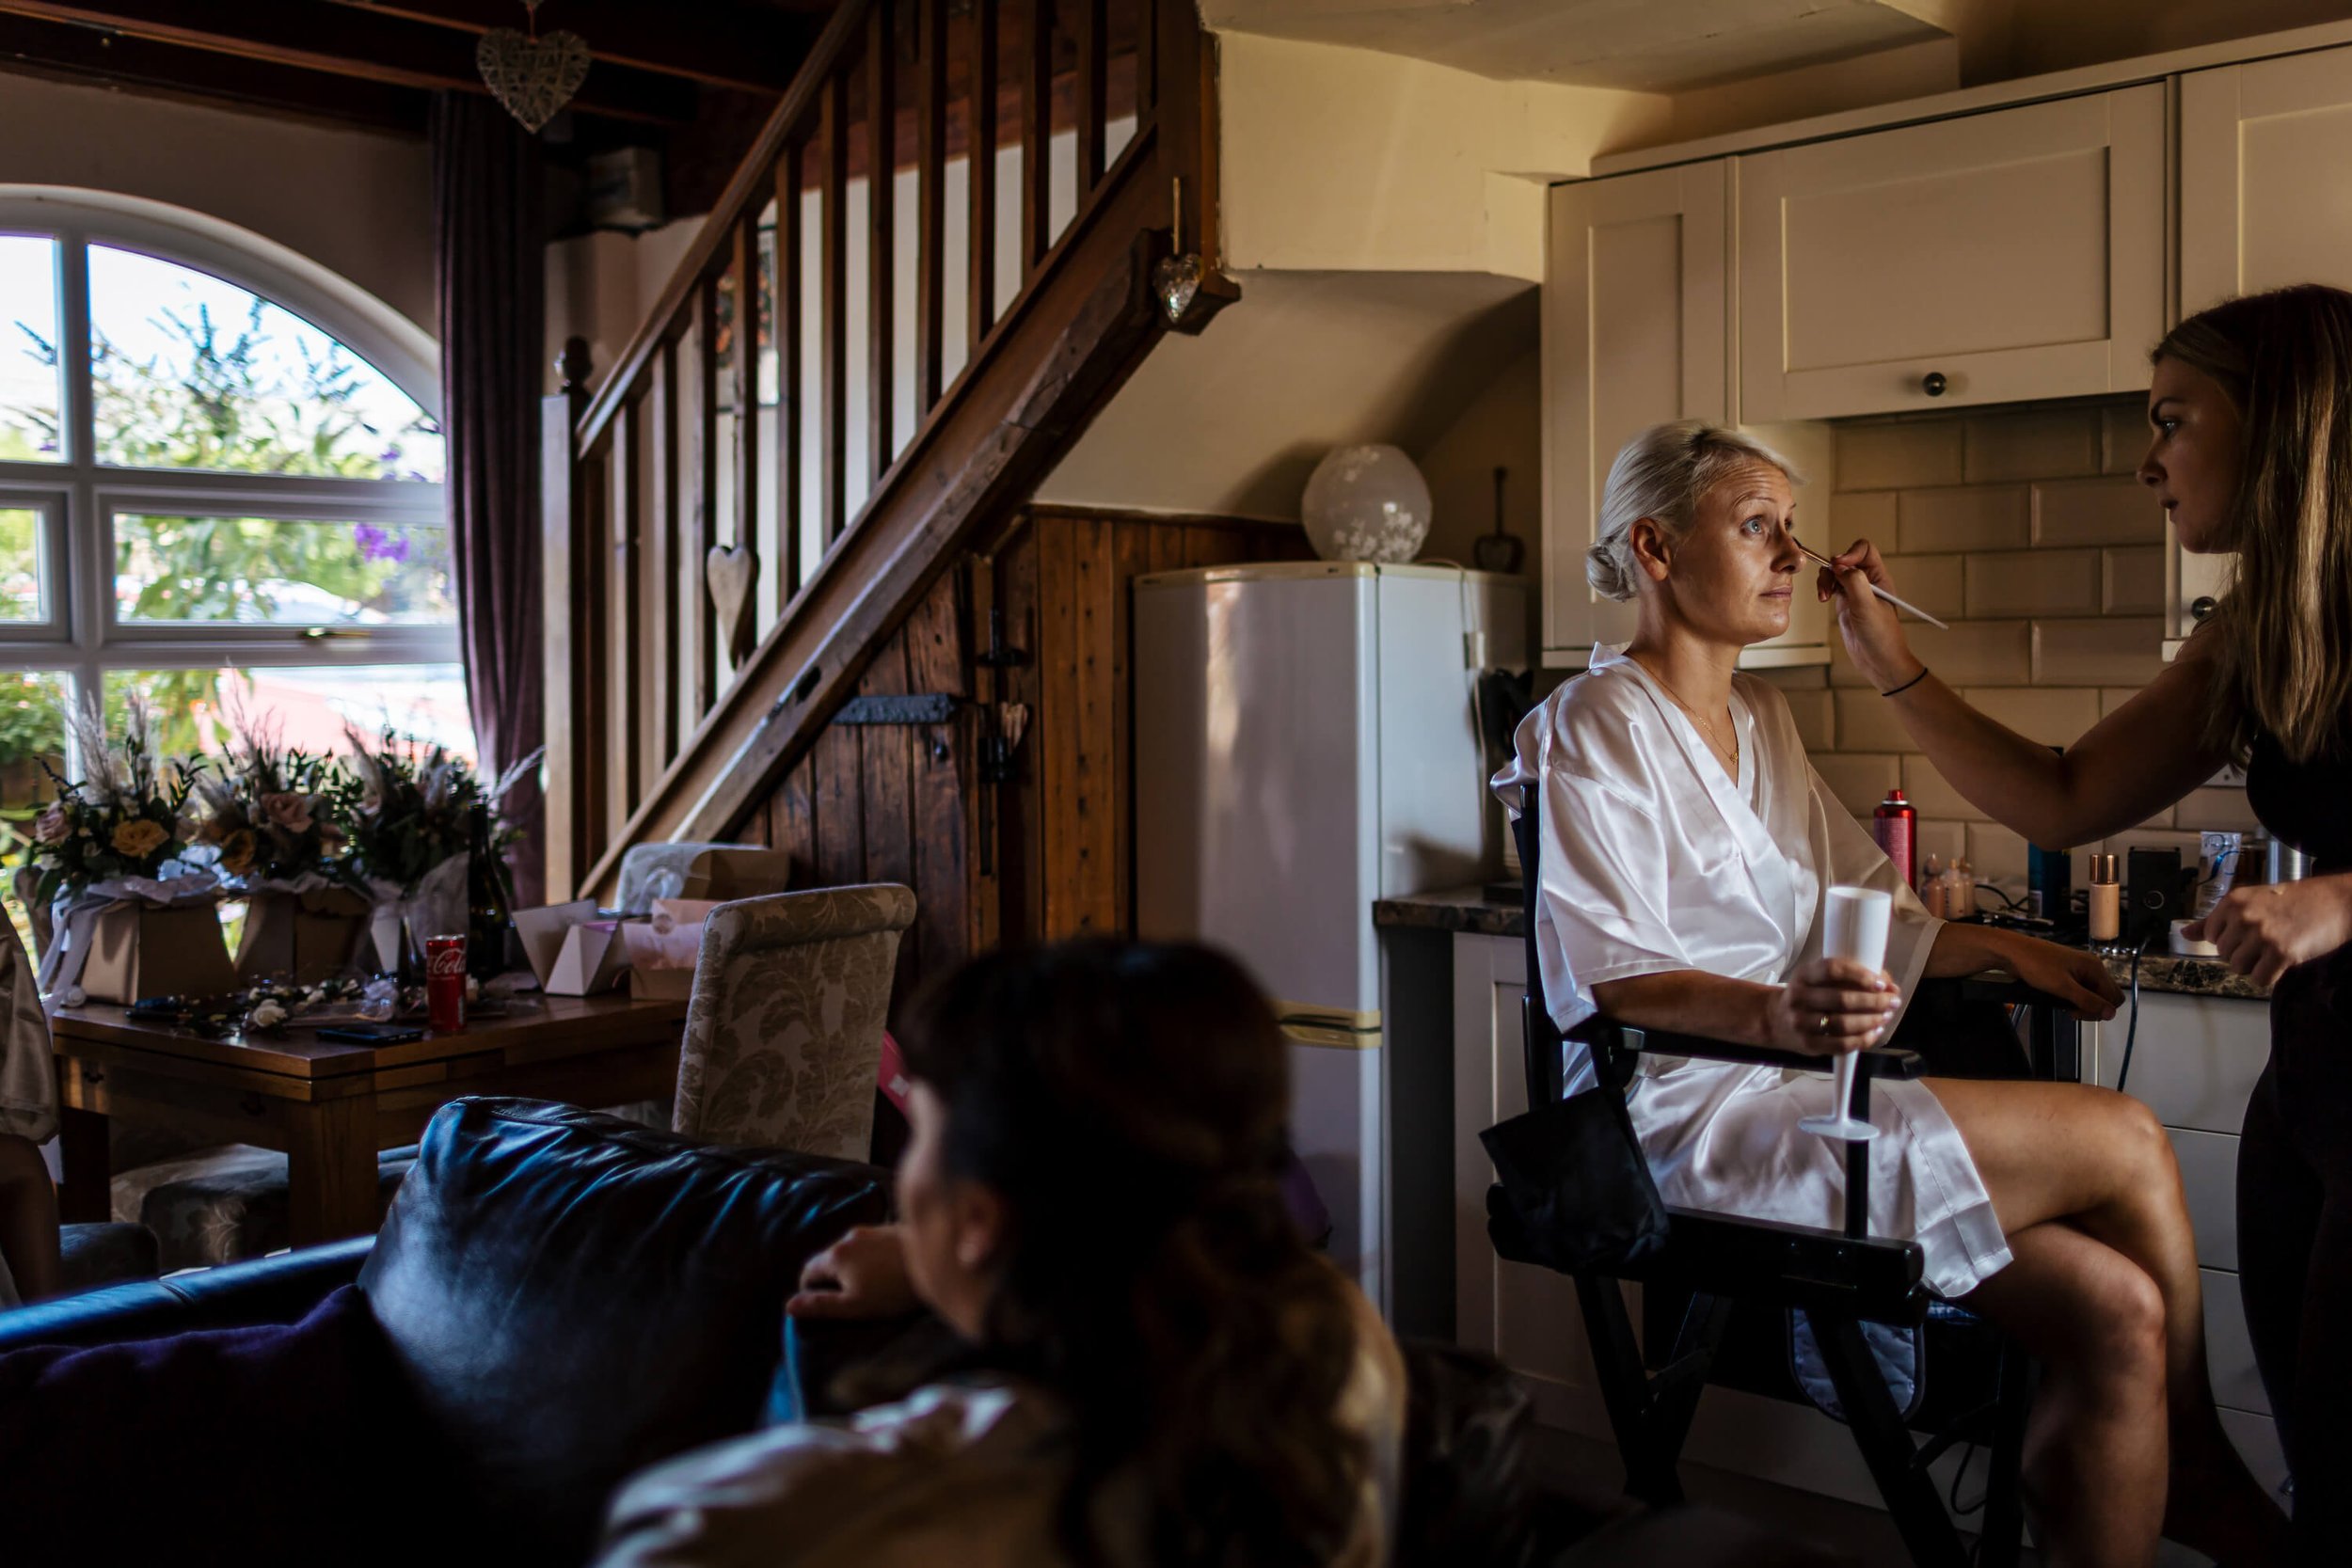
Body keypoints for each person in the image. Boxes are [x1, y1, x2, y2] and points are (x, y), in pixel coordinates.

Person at [1497, 420, 2286, 1567]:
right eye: (1756, 525)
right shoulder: (1593, 720)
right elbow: (1608, 978)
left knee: (2117, 1313)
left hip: (1808, 1095)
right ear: (1654, 547)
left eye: (1788, 528)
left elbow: (1858, 910)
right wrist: (1775, 1014)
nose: (1788, 555)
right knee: (2122, 1135)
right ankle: (2200, 1467)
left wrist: (2002, 949)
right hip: (1685, 1118)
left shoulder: (1763, 719)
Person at [1822, 281, 2352, 1562]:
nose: (2147, 460)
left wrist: (2337, 896)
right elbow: (2062, 797)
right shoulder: (2255, 630)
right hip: (2318, 1088)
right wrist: (1886, 659)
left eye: (2174, 418)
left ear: (2279, 424)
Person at [596, 939, 1405, 1568]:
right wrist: (934, 1254)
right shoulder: (1340, 1353)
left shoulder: (714, 1531)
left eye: (925, 1133)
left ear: (982, 1217)